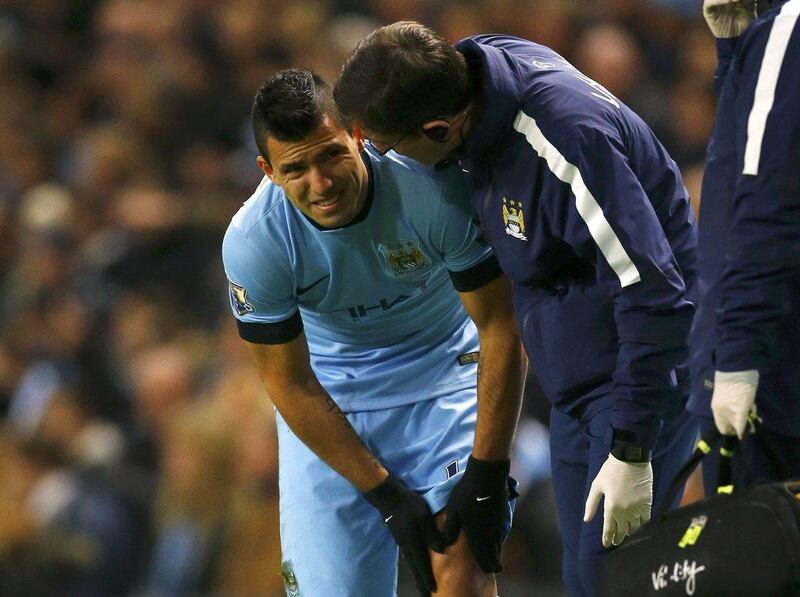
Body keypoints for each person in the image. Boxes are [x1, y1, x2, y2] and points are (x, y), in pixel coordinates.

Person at [335, 23, 698, 596]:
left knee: (613, 584)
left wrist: (632, 445)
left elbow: (653, 289)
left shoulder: (564, 142)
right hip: (578, 382)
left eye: (391, 144)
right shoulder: (473, 74)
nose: (386, 157)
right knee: (585, 580)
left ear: (438, 128)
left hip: (637, 381)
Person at [221, 69, 522, 597]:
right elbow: (289, 384)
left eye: (330, 154)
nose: (322, 183)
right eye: (296, 169)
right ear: (267, 171)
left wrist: (489, 474)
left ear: (356, 133)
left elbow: (500, 324)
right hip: (333, 396)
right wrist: (385, 496)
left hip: (445, 373)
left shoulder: (432, 191)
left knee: (459, 572)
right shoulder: (255, 243)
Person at [690, 0, 800, 491]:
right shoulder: (772, 35)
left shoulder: (789, 27)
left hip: (772, 368)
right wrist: (736, 56)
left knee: (756, 561)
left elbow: (764, 205)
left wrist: (735, 356)